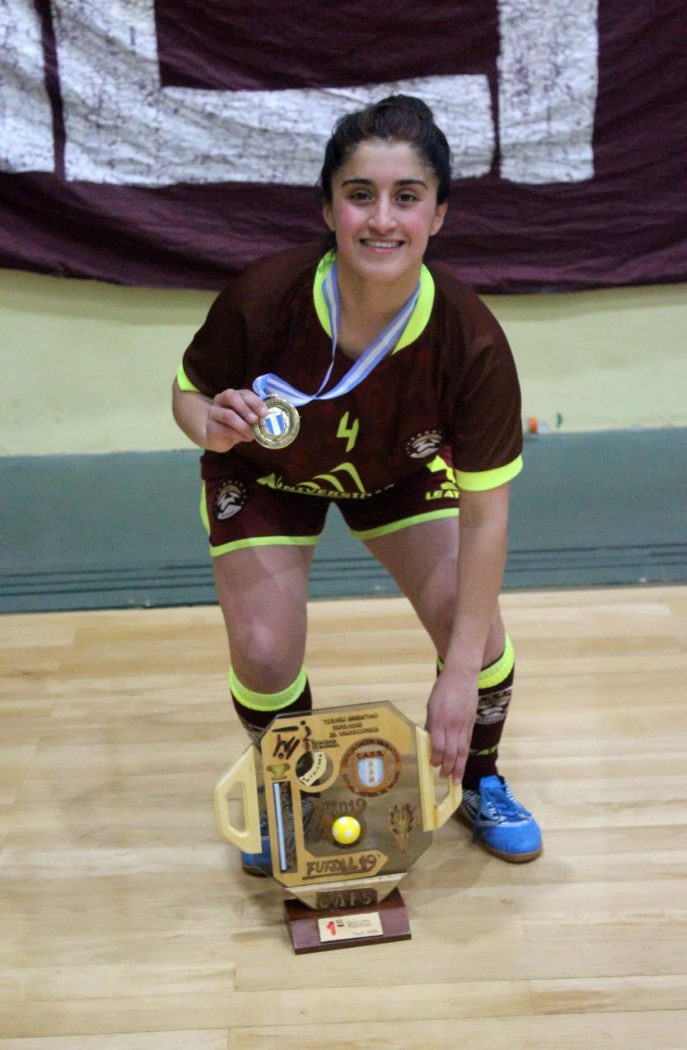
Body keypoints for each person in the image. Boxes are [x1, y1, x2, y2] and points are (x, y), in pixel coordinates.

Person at [172, 94, 542, 872]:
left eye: (407, 197)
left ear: (438, 214)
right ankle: (291, 789)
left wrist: (460, 676)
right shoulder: (265, 295)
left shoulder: (471, 339)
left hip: (395, 475)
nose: (382, 219)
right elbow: (188, 394)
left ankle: (478, 778)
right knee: (265, 649)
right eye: (360, 194)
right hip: (267, 473)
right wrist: (211, 425)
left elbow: (487, 519)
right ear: (328, 208)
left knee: (476, 633)